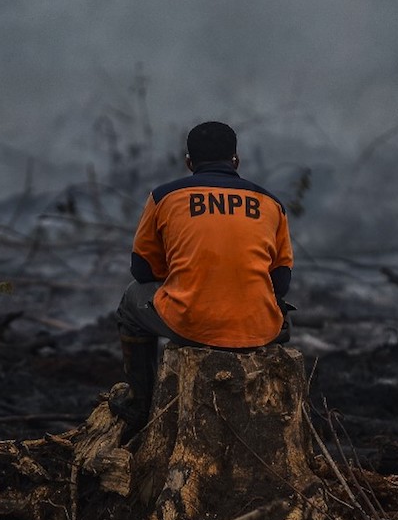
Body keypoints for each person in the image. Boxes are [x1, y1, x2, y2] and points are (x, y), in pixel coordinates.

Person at [113, 121, 294, 436]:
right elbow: (280, 282)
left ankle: (139, 404)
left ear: (188, 161)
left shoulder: (164, 196)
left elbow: (142, 271)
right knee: (276, 307)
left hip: (191, 324)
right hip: (260, 327)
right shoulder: (271, 203)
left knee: (132, 301)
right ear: (236, 160)